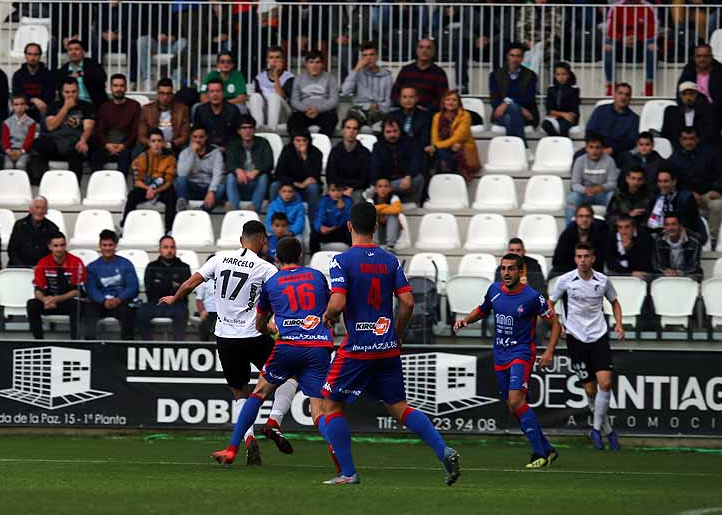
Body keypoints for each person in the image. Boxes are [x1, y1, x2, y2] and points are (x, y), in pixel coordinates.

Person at [316, 203, 460, 485]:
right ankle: (444, 450)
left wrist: (328, 315)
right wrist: (396, 332)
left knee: (328, 407)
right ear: (377, 227)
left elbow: (338, 302)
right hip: (386, 347)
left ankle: (348, 473)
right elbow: (407, 302)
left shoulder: (341, 261)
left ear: (349, 226)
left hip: (357, 348)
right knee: (399, 407)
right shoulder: (390, 260)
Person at [158, 220, 280, 465]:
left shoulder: (219, 259)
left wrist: (175, 298)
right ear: (263, 241)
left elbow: (190, 284)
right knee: (286, 375)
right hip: (254, 335)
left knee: (239, 392)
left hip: (225, 336)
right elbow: (281, 296)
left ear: (240, 239)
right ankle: (275, 420)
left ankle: (248, 438)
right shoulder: (266, 268)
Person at [209, 234, 331, 466]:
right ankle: (340, 461)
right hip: (317, 347)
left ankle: (234, 447)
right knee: (320, 411)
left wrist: (269, 328)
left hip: (280, 344)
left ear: (276, 257)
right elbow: (330, 307)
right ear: (301, 255)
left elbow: (260, 321)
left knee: (256, 393)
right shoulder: (316, 276)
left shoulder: (273, 282)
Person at [455, 252, 561, 468]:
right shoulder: (494, 290)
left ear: (520, 271)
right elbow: (482, 309)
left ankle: (539, 454)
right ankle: (548, 449)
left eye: (511, 268)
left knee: (515, 400)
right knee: (514, 405)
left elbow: (555, 324)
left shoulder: (533, 296)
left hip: (521, 353)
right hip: (500, 355)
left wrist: (549, 351)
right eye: (503, 268)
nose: (506, 273)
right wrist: (465, 321)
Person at [549, 243, 625, 451]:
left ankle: (596, 428)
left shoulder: (602, 280)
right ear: (575, 259)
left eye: (586, 256)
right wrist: (558, 323)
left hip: (599, 335)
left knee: (606, 384)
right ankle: (608, 431)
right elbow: (549, 304)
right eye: (579, 256)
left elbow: (615, 302)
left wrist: (618, 323)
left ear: (593, 258)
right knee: (591, 391)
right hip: (576, 338)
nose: (582, 260)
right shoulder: (565, 281)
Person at [29, 78, 97, 182]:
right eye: (67, 92)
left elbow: (88, 127)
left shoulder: (86, 106)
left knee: (77, 153)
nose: (70, 95)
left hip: (74, 143)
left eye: (74, 92)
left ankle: (74, 189)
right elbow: (51, 126)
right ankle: (41, 183)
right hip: (56, 142)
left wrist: (83, 140)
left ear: (78, 91)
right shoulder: (54, 105)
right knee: (38, 144)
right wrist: (65, 108)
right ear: (61, 92)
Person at [28, 233, 85, 339]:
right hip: (48, 303)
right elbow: (38, 289)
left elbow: (78, 291)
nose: (59, 249)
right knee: (32, 304)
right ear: (50, 247)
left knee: (77, 305)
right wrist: (45, 300)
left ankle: (76, 341)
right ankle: (38, 340)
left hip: (67, 301)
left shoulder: (76, 262)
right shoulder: (43, 262)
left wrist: (56, 299)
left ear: (65, 245)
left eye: (62, 245)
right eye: (56, 246)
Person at [84, 229, 137, 340]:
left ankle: (125, 349)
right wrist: (103, 301)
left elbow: (132, 286)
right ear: (100, 245)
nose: (107, 248)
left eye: (110, 245)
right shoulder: (92, 267)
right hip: (100, 303)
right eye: (104, 245)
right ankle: (90, 348)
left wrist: (118, 299)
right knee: (88, 311)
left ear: (115, 245)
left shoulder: (125, 264)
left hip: (120, 302)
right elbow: (91, 289)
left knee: (129, 313)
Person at [137, 235, 190, 341]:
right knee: (141, 311)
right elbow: (150, 290)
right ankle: (148, 346)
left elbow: (185, 291)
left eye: (172, 247)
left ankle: (178, 348)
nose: (169, 250)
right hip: (155, 304)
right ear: (159, 249)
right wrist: (172, 285)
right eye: (166, 247)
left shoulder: (184, 267)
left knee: (183, 312)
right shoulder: (151, 266)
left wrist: (160, 283)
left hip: (177, 305)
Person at [126, 129, 176, 229]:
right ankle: (125, 225)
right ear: (149, 143)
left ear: (163, 143)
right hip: (146, 187)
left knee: (172, 196)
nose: (156, 144)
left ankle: (169, 229)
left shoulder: (170, 158)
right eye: (153, 141)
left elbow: (169, 182)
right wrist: (149, 189)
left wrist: (155, 191)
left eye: (159, 141)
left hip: (162, 188)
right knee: (132, 196)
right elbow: (137, 182)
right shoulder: (142, 157)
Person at [488, 44, 539, 144]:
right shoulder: (495, 75)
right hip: (502, 114)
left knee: (510, 118)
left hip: (526, 115)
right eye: (512, 55)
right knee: (511, 113)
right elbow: (494, 99)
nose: (515, 59)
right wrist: (517, 107)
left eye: (518, 56)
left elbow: (528, 99)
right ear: (507, 56)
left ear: (522, 58)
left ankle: (514, 149)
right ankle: (524, 147)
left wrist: (507, 103)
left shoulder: (530, 75)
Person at [426, 90, 478, 180]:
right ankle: (450, 174)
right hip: (445, 150)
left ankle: (444, 175)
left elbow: (458, 137)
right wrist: (435, 145)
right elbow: (434, 136)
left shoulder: (465, 115)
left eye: (454, 100)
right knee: (435, 151)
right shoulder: (437, 116)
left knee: (445, 150)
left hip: (462, 147)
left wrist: (437, 146)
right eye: (448, 99)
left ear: (459, 102)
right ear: (443, 102)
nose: (451, 102)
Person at [565, 135, 618, 223]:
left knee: (613, 196)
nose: (594, 150)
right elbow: (575, 184)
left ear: (602, 148)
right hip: (584, 194)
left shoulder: (610, 161)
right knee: (571, 199)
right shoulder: (580, 160)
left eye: (597, 147)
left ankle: (611, 229)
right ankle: (570, 229)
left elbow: (613, 183)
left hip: (603, 194)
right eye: (591, 147)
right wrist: (585, 190)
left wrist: (601, 188)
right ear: (586, 148)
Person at [224, 118, 273, 213]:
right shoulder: (232, 144)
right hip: (240, 182)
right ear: (239, 131)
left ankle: (254, 209)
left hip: (257, 182)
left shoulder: (263, 143)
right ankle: (234, 210)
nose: (247, 131)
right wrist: (238, 171)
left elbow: (269, 163)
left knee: (264, 176)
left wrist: (256, 171)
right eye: (244, 128)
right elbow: (229, 163)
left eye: (250, 128)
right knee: (230, 177)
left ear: (254, 130)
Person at [287, 51, 339, 139]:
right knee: (293, 121)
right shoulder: (299, 79)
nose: (314, 66)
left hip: (324, 112)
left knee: (332, 119)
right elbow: (294, 101)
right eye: (311, 62)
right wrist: (307, 109)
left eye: (317, 62)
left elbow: (334, 101)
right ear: (306, 64)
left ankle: (321, 145)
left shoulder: (330, 78)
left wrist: (317, 109)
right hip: (304, 112)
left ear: (322, 64)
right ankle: (298, 146)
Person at [584, 82, 639, 165]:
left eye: (627, 95)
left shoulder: (634, 118)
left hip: (618, 151)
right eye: (620, 93)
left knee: (629, 159)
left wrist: (612, 149)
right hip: (596, 147)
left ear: (630, 98)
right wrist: (597, 148)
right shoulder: (600, 110)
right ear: (614, 95)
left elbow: (630, 141)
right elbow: (590, 131)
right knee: (578, 155)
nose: (623, 97)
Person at [341, 42, 392, 130]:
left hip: (378, 110)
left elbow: (389, 100)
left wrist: (379, 107)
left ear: (377, 56)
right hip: (359, 109)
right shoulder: (356, 73)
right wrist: (356, 69)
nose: (369, 58)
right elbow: (345, 91)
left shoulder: (387, 76)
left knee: (379, 127)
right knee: (350, 125)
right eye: (365, 55)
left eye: (372, 54)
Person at [175, 127, 224, 212]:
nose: (198, 140)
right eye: (195, 137)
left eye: (201, 137)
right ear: (191, 137)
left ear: (206, 137)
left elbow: (218, 174)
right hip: (192, 187)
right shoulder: (185, 153)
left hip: (208, 188)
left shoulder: (216, 153)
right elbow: (182, 174)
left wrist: (211, 191)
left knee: (221, 187)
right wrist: (192, 154)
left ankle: (202, 211)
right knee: (180, 180)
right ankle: (183, 209)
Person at [554, 204, 610, 275]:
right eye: (581, 216)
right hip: (570, 274)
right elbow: (557, 260)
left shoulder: (600, 235)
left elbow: (602, 260)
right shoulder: (567, 235)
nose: (584, 220)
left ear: (592, 219)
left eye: (587, 216)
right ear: (576, 219)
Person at [661, 81, 720, 148]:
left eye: (691, 94)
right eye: (684, 94)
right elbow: (666, 135)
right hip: (677, 149)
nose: (688, 97)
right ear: (680, 96)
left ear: (697, 95)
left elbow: (710, 136)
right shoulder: (672, 113)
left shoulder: (706, 113)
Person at [325, 118, 372, 201]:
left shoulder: (365, 152)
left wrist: (352, 188)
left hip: (358, 189)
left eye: (354, 128)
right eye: (348, 128)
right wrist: (340, 189)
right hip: (338, 188)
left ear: (358, 131)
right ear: (343, 130)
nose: (351, 131)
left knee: (356, 197)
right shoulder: (335, 151)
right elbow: (331, 174)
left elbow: (365, 177)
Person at [7, 197, 58, 268]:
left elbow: (53, 253)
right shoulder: (19, 225)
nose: (40, 211)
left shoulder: (52, 228)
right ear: (30, 209)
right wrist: (22, 267)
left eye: (43, 208)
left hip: (42, 268)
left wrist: (40, 267)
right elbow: (12, 250)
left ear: (46, 211)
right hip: (19, 266)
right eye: (37, 207)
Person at [606, 215, 653, 279]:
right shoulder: (610, 238)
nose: (623, 231)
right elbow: (611, 264)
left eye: (627, 227)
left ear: (634, 228)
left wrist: (629, 249)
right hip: (619, 274)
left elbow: (645, 263)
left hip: (641, 274)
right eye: (620, 227)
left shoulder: (645, 238)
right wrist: (630, 273)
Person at [541, 62, 580, 137]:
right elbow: (549, 109)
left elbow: (574, 110)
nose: (561, 77)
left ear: (569, 75)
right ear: (555, 76)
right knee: (546, 124)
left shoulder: (574, 89)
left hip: (569, 118)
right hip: (555, 117)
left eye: (564, 74)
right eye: (558, 74)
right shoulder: (551, 89)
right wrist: (562, 114)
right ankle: (556, 141)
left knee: (564, 126)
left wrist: (566, 115)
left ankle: (565, 144)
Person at [370, 177, 404, 251]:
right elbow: (369, 210)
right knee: (371, 216)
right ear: (375, 189)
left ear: (390, 189)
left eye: (386, 186)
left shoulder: (394, 198)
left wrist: (378, 210)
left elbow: (398, 209)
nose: (383, 189)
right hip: (377, 233)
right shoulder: (370, 199)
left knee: (393, 216)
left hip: (393, 233)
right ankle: (374, 247)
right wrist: (386, 206)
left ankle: (390, 247)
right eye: (380, 186)